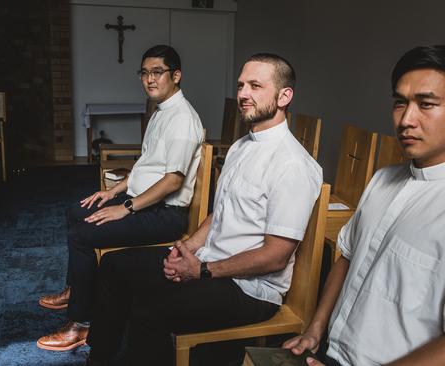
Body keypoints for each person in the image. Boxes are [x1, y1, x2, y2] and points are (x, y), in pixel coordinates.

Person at [284, 45, 445, 366]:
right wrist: (315, 329)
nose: (406, 120)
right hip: (330, 354)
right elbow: (348, 258)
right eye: (400, 103)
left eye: (426, 104)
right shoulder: (382, 180)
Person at [83, 53, 323, 365]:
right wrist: (185, 248)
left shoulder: (293, 165)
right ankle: (99, 359)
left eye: (255, 86)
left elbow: (275, 256)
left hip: (249, 291)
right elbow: (220, 213)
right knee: (114, 267)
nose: (243, 94)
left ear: (284, 96)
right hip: (211, 264)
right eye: (240, 86)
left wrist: (202, 270)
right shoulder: (241, 146)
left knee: (148, 307)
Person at [36, 45, 204, 351]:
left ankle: (82, 324)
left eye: (157, 72)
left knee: (82, 234)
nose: (149, 79)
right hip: (145, 202)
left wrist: (125, 208)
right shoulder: (161, 111)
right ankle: (78, 290)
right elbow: (148, 168)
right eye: (144, 72)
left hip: (165, 215)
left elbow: (172, 181)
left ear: (176, 75)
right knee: (77, 211)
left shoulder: (182, 118)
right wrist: (113, 192)